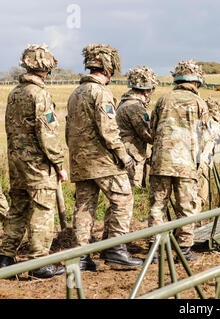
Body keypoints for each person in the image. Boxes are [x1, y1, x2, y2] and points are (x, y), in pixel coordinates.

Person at [66, 44, 143, 271]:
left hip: (80, 161)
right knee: (123, 198)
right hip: (103, 161)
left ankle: (81, 255)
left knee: (84, 207)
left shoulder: (75, 93)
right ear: (109, 69)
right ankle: (116, 250)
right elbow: (109, 130)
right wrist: (124, 157)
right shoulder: (101, 93)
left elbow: (68, 130)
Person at [0, 44, 67, 278]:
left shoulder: (15, 92)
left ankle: (5, 259)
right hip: (38, 165)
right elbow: (47, 135)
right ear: (46, 68)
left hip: (17, 163)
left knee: (17, 209)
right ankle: (39, 263)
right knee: (43, 209)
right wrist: (59, 164)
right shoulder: (39, 94)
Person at [147, 59, 209, 262]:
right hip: (186, 163)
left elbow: (152, 129)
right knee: (186, 206)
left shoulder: (163, 99)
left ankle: (155, 248)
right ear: (196, 83)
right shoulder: (199, 103)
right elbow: (205, 133)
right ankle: (183, 248)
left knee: (158, 205)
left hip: (161, 161)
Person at [116, 66, 158, 192]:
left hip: (126, 155)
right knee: (130, 194)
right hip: (131, 157)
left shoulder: (125, 102)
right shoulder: (135, 107)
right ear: (148, 90)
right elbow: (148, 134)